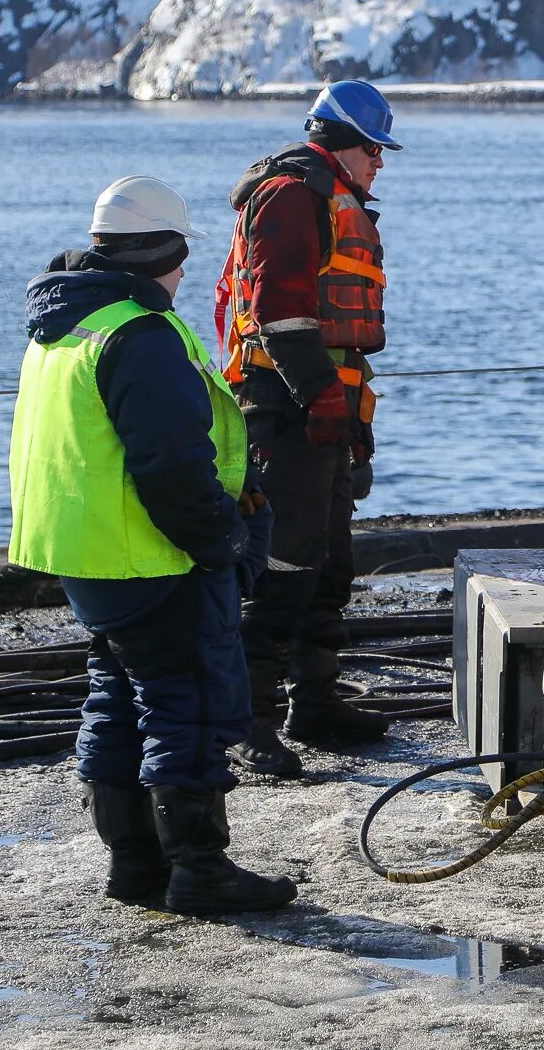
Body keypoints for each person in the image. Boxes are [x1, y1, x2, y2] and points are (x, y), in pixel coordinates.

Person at [8, 176, 296, 915]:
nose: (184, 270)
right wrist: (222, 540)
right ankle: (200, 870)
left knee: (117, 698)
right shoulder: (139, 332)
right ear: (166, 251)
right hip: (154, 554)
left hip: (91, 558)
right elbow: (169, 463)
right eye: (181, 255)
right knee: (186, 705)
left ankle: (134, 865)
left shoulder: (67, 324)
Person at [217, 80, 397, 778]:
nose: (379, 163)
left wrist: (347, 415)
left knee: (328, 563)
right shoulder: (295, 194)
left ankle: (313, 700)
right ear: (343, 142)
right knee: (284, 565)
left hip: (323, 402)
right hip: (285, 404)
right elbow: (279, 309)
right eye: (374, 149)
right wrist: (322, 397)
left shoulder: (325, 194)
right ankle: (248, 718)